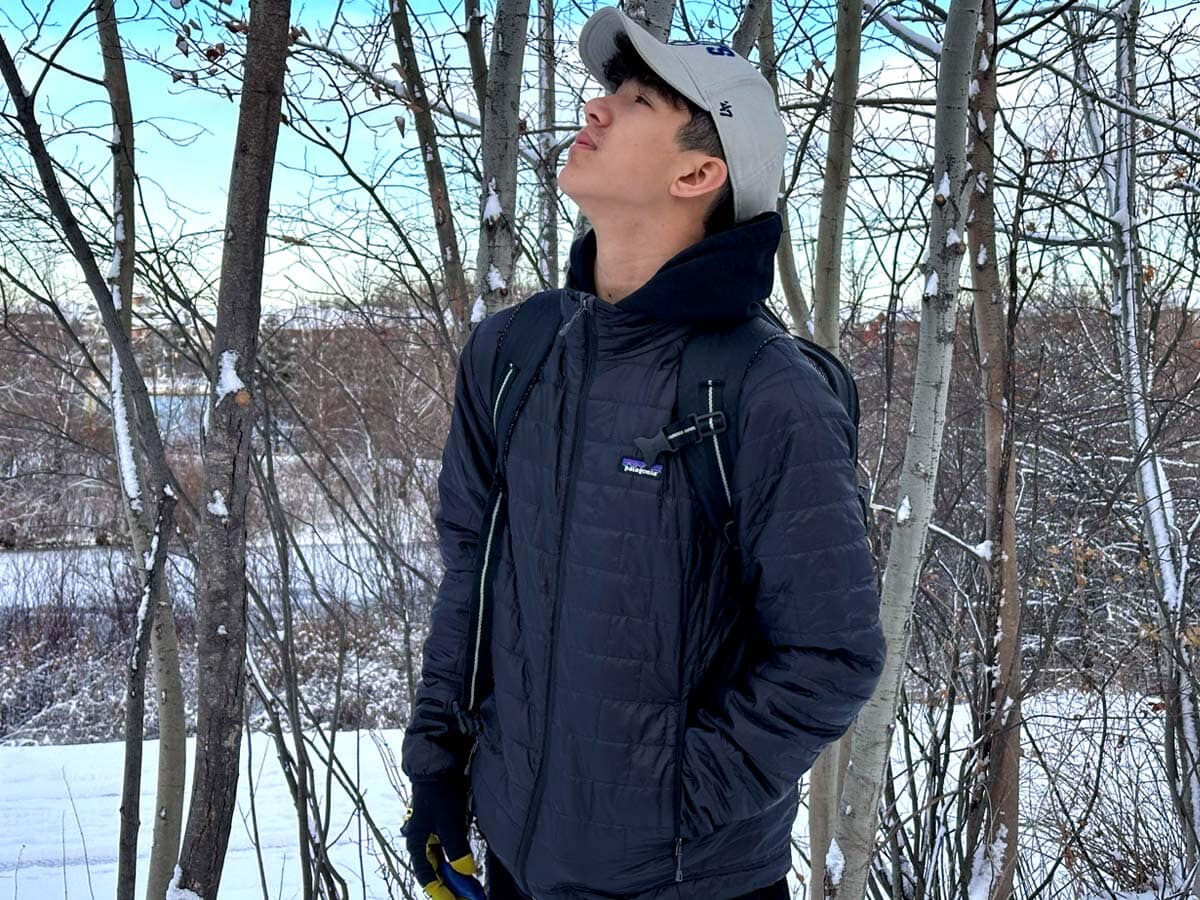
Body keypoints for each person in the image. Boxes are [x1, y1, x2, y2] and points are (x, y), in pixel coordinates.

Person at [400, 7, 887, 899]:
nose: (595, 109)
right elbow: (471, 577)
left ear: (700, 171)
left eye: (635, 100)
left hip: (685, 883)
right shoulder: (513, 355)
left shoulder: (763, 389)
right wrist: (438, 773)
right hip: (513, 857)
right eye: (605, 91)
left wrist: (666, 800)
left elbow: (832, 655)